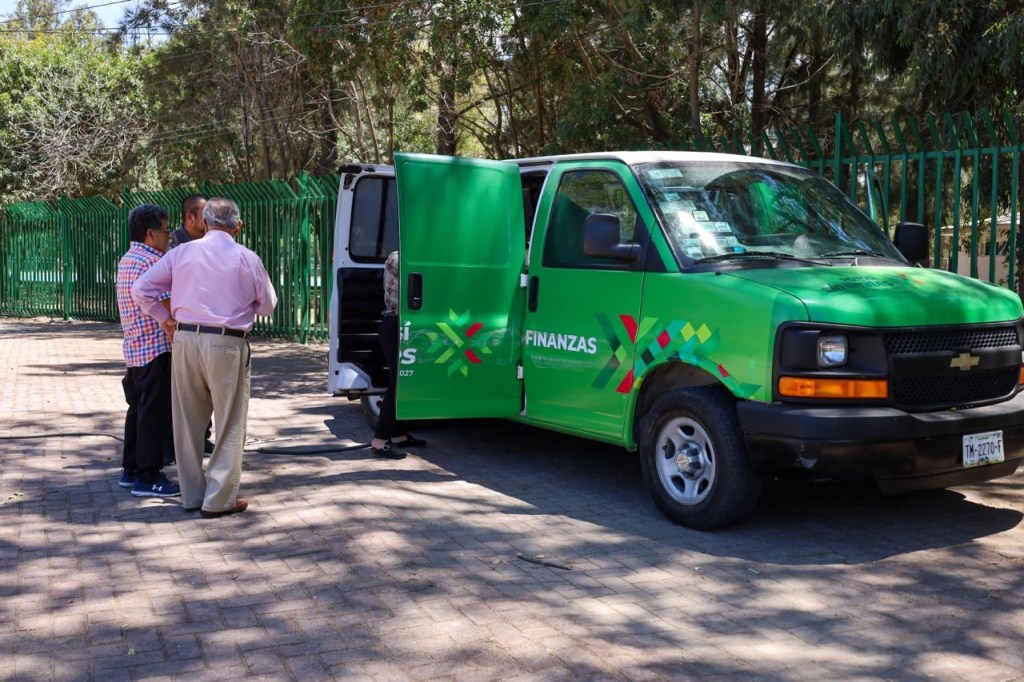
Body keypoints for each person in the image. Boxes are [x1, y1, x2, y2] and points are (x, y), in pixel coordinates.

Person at [132, 197, 277, 518]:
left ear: (206, 223)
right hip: (227, 342)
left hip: (184, 339)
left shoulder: (181, 252)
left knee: (186, 422)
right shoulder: (247, 257)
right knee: (229, 421)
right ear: (238, 226)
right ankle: (219, 499)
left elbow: (141, 288)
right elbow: (267, 306)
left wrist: (164, 318)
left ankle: (192, 496)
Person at [115, 204, 181, 498]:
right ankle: (149, 477)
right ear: (150, 233)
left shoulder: (129, 258)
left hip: (136, 347)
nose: (169, 236)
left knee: (139, 411)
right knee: (154, 414)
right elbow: (168, 304)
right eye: (166, 231)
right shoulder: (153, 263)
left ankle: (131, 470)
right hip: (156, 347)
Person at [167, 194, 216, 457]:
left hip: (208, 328)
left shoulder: (210, 243)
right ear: (190, 217)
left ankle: (202, 437)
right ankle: (180, 443)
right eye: (204, 214)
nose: (210, 220)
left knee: (207, 388)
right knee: (187, 392)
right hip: (183, 329)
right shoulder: (173, 246)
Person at [370, 250, 427, 459]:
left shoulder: (401, 255)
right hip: (397, 324)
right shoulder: (401, 257)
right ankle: (379, 441)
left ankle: (397, 435)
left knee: (404, 382)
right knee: (398, 384)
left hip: (400, 325)